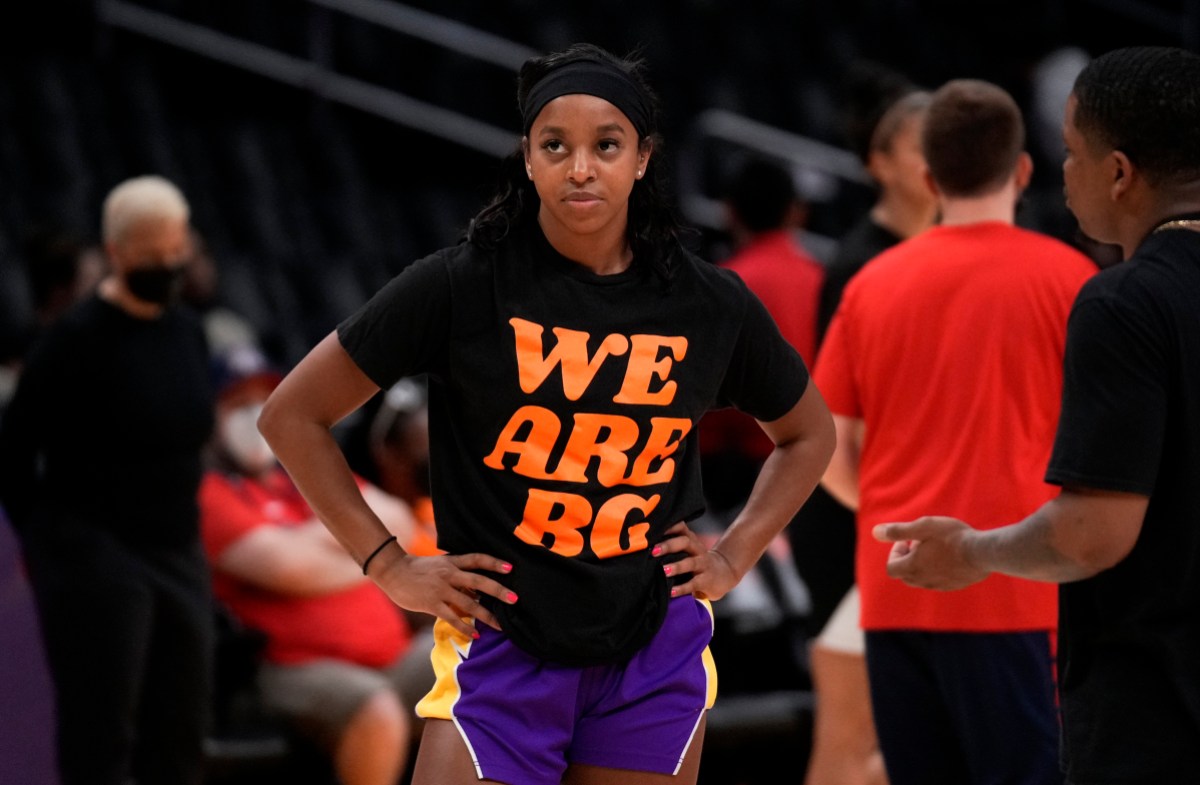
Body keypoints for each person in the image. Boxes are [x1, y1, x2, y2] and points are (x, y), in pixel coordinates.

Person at [257, 42, 836, 785]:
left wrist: (733, 553)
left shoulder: (707, 302)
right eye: (555, 145)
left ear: (643, 158)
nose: (581, 167)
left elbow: (808, 432)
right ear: (528, 159)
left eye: (607, 145)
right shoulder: (460, 284)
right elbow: (291, 415)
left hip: (650, 647)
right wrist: (388, 563)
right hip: (502, 643)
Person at [874, 45, 1200, 784]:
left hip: (1157, 714)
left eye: (1072, 151)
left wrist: (971, 551)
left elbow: (1091, 535)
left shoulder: (1123, 301)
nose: (1063, 171)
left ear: (1119, 174)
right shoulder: (1081, 282)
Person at [814, 79, 1097, 785]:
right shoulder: (1073, 279)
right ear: (1025, 169)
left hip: (897, 584)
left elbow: (822, 447)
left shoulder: (870, 283)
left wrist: (884, 513)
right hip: (1021, 591)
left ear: (929, 176)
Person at [0, 174, 215, 785]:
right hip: (100, 553)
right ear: (116, 253)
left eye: (177, 249)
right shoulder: (72, 341)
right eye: (154, 254)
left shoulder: (187, 332)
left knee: (180, 730)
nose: (170, 264)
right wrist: (57, 546)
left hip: (178, 549)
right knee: (103, 733)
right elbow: (14, 453)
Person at [198, 344, 436, 785]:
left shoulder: (305, 469)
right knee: (376, 709)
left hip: (393, 653)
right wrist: (373, 553)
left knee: (482, 657)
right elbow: (287, 568)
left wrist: (315, 543)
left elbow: (400, 522)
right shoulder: (212, 492)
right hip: (293, 666)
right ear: (211, 418)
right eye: (238, 404)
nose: (253, 416)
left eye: (263, 401)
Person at [795, 85, 937, 785]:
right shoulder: (859, 264)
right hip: (861, 515)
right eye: (920, 147)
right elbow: (841, 421)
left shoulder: (943, 249)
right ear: (880, 162)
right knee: (862, 731)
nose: (935, 162)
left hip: (910, 509)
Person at [699, 155, 825, 512]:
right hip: (813, 469)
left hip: (732, 477)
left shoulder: (721, 285)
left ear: (729, 212)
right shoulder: (821, 281)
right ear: (796, 213)